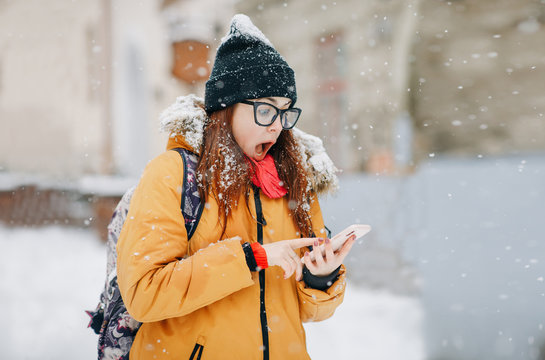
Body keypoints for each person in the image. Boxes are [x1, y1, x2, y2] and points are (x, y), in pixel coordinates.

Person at [116, 14, 356, 360]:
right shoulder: (173, 175)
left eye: (285, 112)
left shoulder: (291, 182)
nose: (276, 127)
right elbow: (144, 295)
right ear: (225, 109)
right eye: (264, 110)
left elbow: (309, 311)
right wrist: (248, 258)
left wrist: (321, 277)